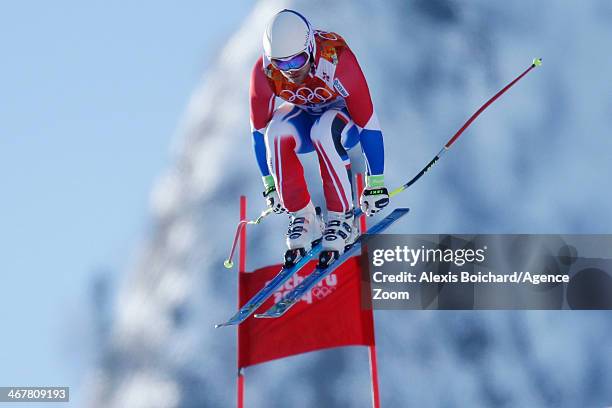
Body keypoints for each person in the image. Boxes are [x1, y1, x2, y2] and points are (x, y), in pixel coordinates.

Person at [250, 9, 389, 265]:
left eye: (297, 61)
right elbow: (258, 132)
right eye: (282, 64)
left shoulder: (336, 60)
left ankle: (342, 216)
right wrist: (269, 183)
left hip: (342, 120)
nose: (290, 70)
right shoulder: (266, 72)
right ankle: (303, 216)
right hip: (305, 115)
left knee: (324, 131)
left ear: (311, 48)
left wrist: (376, 181)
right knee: (277, 131)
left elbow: (368, 123)